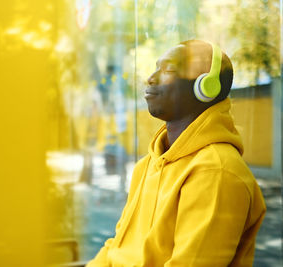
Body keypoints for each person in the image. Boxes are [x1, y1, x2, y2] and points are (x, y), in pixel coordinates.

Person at [87, 40, 266, 267]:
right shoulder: (147, 166)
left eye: (168, 70)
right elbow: (116, 248)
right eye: (155, 68)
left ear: (205, 87)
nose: (151, 78)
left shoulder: (217, 172)